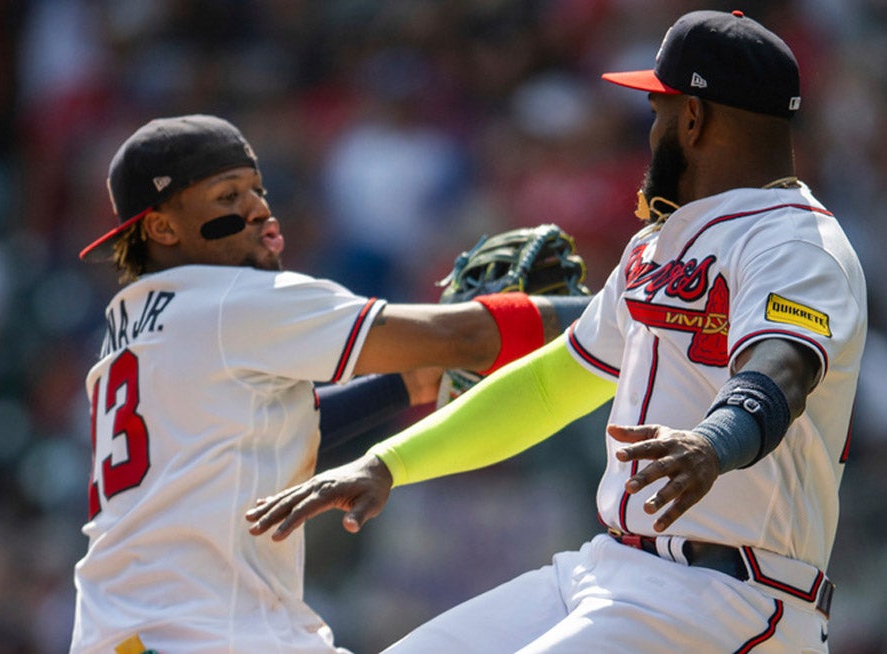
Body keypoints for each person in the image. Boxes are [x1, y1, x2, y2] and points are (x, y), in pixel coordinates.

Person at [247, 10, 867, 653]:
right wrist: (388, 463)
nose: (647, 132)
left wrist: (713, 442)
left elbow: (783, 370)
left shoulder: (797, 243)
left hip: (731, 594)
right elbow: (550, 385)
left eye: (655, 111)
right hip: (609, 568)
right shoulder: (658, 244)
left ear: (694, 118)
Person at [70, 113, 587, 653]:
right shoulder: (229, 299)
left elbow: (266, 429)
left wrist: (410, 384)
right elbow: (465, 338)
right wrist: (623, 312)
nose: (257, 208)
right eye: (227, 197)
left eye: (256, 189)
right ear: (162, 228)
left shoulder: (126, 326)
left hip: (122, 632)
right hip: (207, 636)